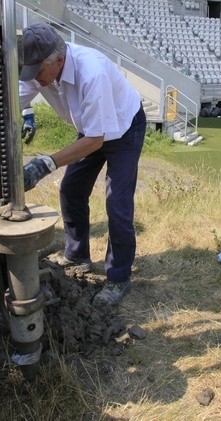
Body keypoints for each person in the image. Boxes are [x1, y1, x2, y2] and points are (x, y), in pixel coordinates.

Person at [19, 23, 145, 307]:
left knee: (118, 203)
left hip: (124, 127)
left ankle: (119, 278)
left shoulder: (92, 72)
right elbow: (12, 102)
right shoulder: (39, 70)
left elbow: (95, 140)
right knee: (71, 189)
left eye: (37, 72)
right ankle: (77, 255)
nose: (34, 80)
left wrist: (46, 163)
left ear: (59, 61)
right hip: (93, 128)